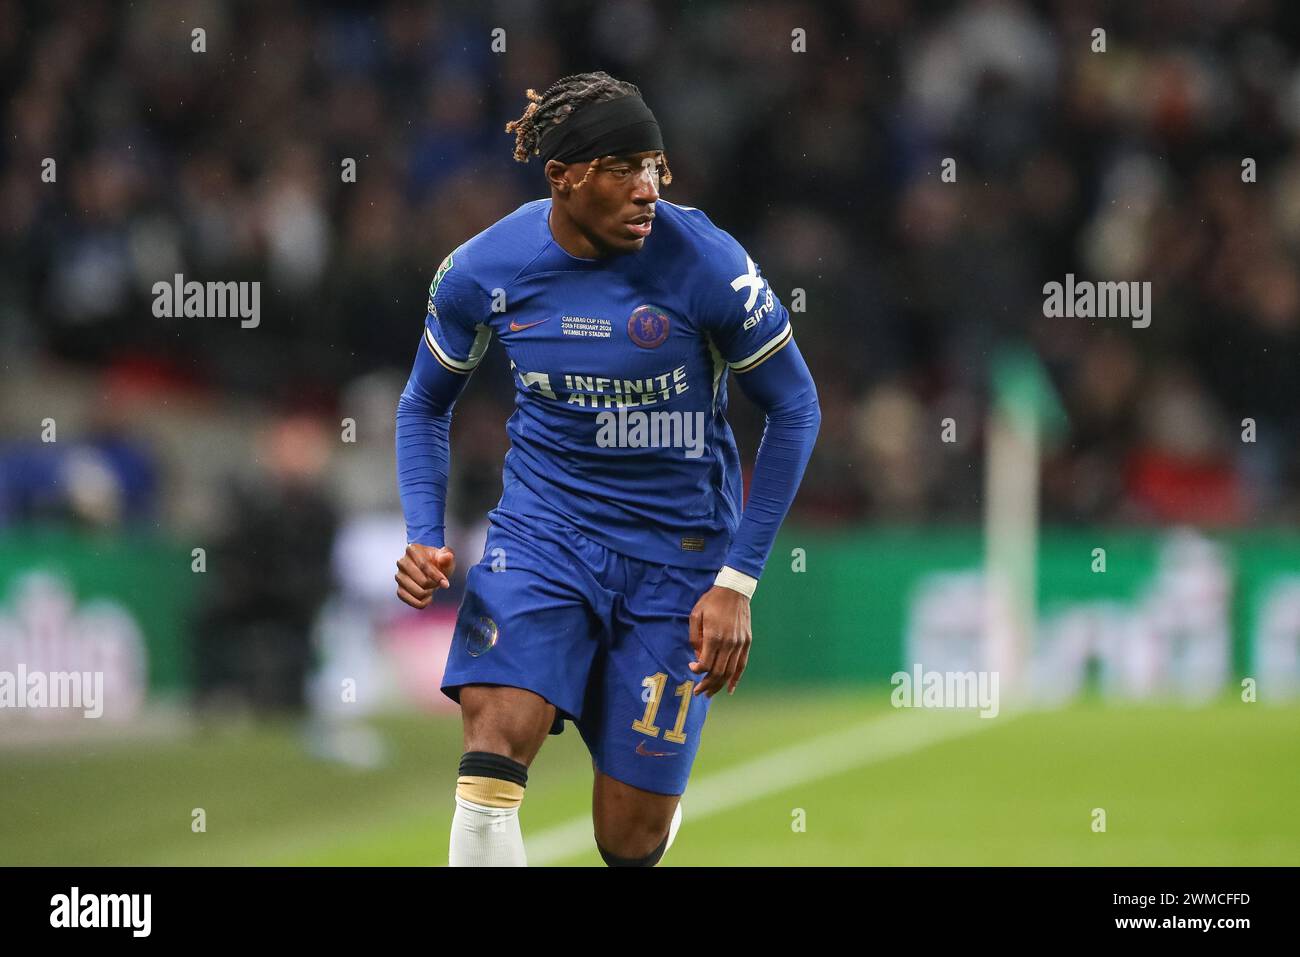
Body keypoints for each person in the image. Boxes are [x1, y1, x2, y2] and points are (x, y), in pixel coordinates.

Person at [394, 71, 820, 866]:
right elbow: (424, 403)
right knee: (491, 752)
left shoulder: (709, 265)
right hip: (544, 535)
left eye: (654, 166)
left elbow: (795, 407)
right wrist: (424, 530)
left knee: (629, 835)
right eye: (622, 168)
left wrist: (737, 582)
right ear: (562, 178)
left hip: (677, 557)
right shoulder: (484, 269)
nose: (647, 189)